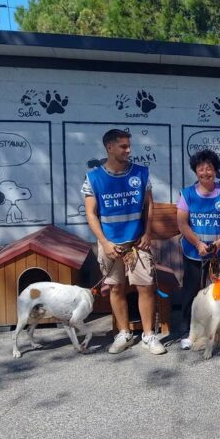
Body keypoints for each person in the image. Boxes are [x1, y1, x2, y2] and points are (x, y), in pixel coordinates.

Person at [83, 129, 166, 355]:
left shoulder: (141, 172)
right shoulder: (93, 177)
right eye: (123, 146)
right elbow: (91, 213)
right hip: (110, 244)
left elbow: (149, 206)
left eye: (129, 146)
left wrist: (147, 233)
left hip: (138, 243)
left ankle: (149, 335)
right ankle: (123, 334)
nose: (129, 150)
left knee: (146, 287)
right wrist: (104, 243)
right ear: (109, 147)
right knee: (116, 288)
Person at [176, 149, 220, 350]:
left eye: (209, 168)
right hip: (195, 252)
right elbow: (182, 223)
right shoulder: (187, 194)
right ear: (195, 171)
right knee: (191, 292)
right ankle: (188, 332)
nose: (205, 172)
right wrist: (198, 244)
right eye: (201, 169)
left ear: (215, 170)